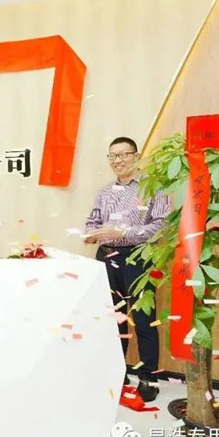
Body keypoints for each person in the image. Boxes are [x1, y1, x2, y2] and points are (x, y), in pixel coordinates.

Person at [84, 137, 170, 402]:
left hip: (138, 257)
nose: (117, 161)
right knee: (114, 319)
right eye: (112, 156)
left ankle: (148, 378)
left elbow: (162, 225)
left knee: (144, 320)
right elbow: (92, 220)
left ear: (136, 156)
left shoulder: (153, 187)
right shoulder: (104, 192)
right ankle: (116, 372)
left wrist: (123, 232)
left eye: (123, 154)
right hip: (107, 258)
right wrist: (91, 233)